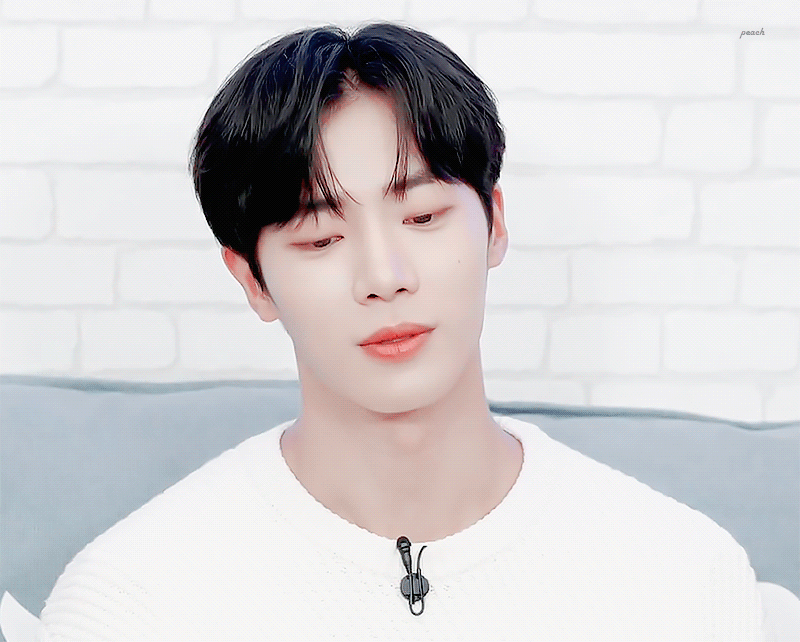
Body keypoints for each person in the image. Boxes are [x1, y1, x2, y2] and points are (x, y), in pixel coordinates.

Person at [32, 22, 764, 640]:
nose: (383, 277)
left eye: (423, 217)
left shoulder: (679, 574)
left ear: (495, 224)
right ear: (253, 280)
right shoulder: (135, 596)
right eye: (321, 238)